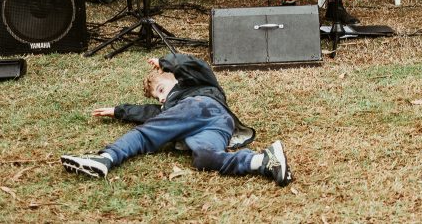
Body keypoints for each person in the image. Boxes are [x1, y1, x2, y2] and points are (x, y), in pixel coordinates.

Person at [60, 54, 291, 186]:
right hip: (217, 126)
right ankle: (264, 161)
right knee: (205, 158)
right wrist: (118, 111)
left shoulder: (195, 83)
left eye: (161, 89)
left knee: (147, 133)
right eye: (157, 97)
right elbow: (148, 112)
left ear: (174, 77)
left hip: (204, 108)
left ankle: (106, 158)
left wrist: (168, 62)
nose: (161, 98)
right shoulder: (169, 107)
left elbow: (196, 65)